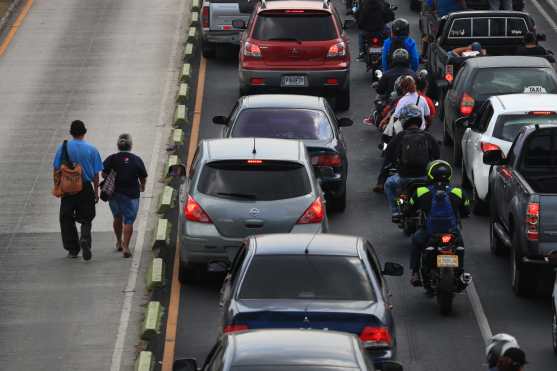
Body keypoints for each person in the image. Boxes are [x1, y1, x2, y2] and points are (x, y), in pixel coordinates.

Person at [407, 160, 470, 285]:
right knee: (460, 247)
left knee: (416, 241)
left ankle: (415, 273)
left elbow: (410, 209)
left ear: (429, 174)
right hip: (452, 231)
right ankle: (461, 272)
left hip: (429, 232)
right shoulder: (458, 191)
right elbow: (466, 211)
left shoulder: (421, 192)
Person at [53, 120, 103, 260]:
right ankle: (85, 239)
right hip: (85, 187)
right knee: (87, 217)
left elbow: (56, 168)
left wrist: (58, 186)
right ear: (84, 132)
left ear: (71, 133)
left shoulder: (63, 148)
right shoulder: (92, 149)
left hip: (68, 187)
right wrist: (96, 192)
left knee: (66, 217)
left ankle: (73, 249)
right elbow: (95, 174)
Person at [383, 105, 440, 220]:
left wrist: (394, 164)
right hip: (425, 177)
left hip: (405, 177)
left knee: (389, 185)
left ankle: (396, 211)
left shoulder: (400, 136)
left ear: (404, 120)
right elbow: (436, 156)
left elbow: (389, 155)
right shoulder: (428, 136)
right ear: (419, 119)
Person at [103, 134, 148, 258]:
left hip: (114, 194)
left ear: (118, 146)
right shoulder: (136, 159)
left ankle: (118, 242)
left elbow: (103, 173)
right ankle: (126, 247)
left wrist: (111, 178)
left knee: (117, 217)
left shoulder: (111, 158)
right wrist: (142, 186)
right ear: (131, 146)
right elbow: (143, 176)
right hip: (131, 195)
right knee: (128, 221)